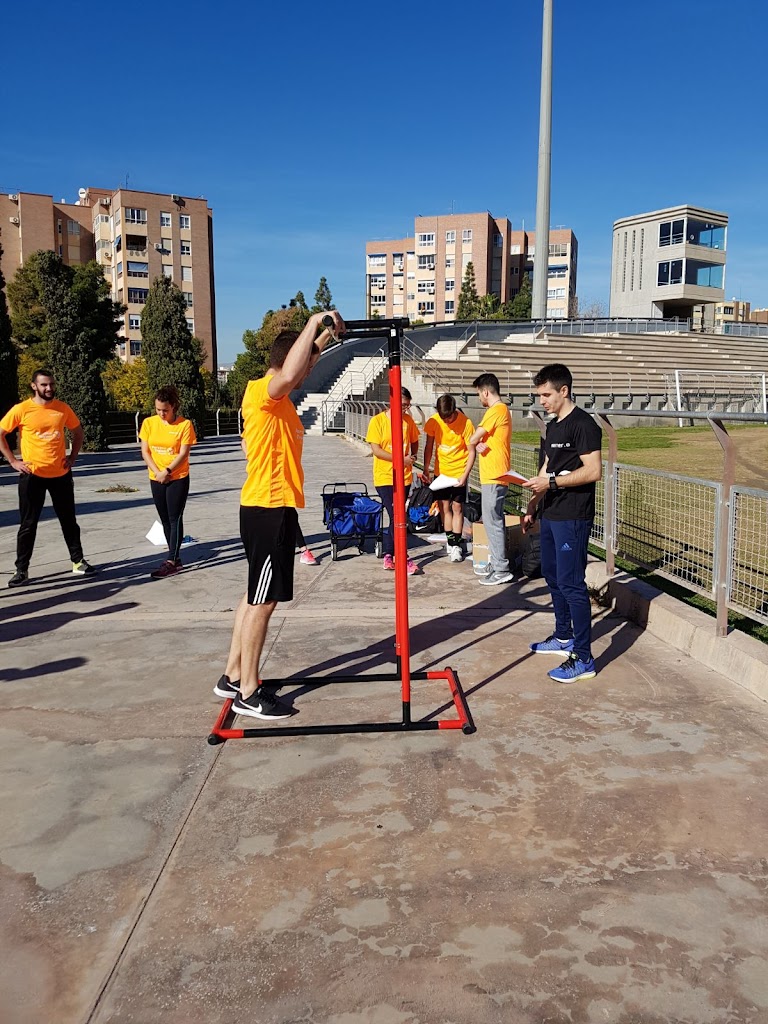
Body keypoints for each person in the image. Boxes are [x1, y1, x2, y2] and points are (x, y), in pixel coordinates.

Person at [213, 311, 344, 719]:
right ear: (286, 362)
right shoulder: (265, 392)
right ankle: (249, 691)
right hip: (266, 508)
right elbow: (290, 374)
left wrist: (326, 336)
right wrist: (313, 321)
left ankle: (233, 675)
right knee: (263, 601)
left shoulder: (277, 395)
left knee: (253, 594)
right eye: (302, 364)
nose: (305, 374)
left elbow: (301, 364)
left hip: (271, 506)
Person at [522, 363, 603, 683]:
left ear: (564, 391)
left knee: (572, 585)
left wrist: (552, 485)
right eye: (539, 395)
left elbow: (593, 470)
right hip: (551, 514)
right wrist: (532, 505)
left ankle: (583, 657)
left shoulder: (584, 425)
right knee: (553, 577)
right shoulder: (553, 426)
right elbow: (546, 469)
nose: (541, 400)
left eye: (546, 394)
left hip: (573, 516)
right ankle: (563, 635)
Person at [0, 369, 96, 587]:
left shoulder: (61, 409)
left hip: (60, 474)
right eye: (44, 385)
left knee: (69, 521)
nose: (49, 388)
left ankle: (78, 561)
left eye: (51, 384)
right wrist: (13, 462)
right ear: (34, 386)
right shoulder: (21, 409)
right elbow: (1, 434)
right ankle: (21, 570)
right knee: (28, 524)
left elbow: (78, 432)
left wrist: (72, 458)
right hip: (32, 475)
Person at [139, 385, 197, 580]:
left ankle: (171, 560)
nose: (161, 413)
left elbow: (183, 452)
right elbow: (145, 451)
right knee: (164, 518)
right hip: (156, 476)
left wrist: (168, 471)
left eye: (165, 410)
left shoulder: (184, 425)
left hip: (177, 477)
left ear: (173, 407)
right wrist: (157, 472)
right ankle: (176, 556)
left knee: (175, 517)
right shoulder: (148, 423)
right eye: (158, 410)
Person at [365, 387, 421, 575]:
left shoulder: (408, 421)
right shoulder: (378, 421)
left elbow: (414, 439)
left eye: (408, 405)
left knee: (397, 516)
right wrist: (399, 459)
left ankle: (389, 554)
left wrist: (411, 456)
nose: (407, 408)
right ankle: (401, 556)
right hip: (385, 477)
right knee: (397, 515)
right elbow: (376, 449)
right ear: (394, 401)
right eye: (404, 404)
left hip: (403, 476)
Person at [467, 373, 513, 586]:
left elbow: (473, 437)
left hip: (494, 474)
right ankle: (497, 563)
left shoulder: (496, 410)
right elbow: (479, 441)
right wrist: (477, 444)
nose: (480, 398)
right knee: (494, 520)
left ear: (485, 391)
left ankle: (501, 568)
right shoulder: (496, 412)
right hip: (493, 474)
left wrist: (475, 442)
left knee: (492, 521)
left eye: (479, 394)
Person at [422, 394, 476, 562]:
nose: (446, 421)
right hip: (442, 472)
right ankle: (450, 543)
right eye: (443, 417)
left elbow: (471, 451)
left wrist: (465, 475)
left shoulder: (466, 423)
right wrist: (426, 468)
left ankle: (457, 545)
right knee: (444, 508)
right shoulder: (434, 421)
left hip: (459, 472)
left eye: (449, 417)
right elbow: (429, 446)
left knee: (457, 508)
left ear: (454, 411)